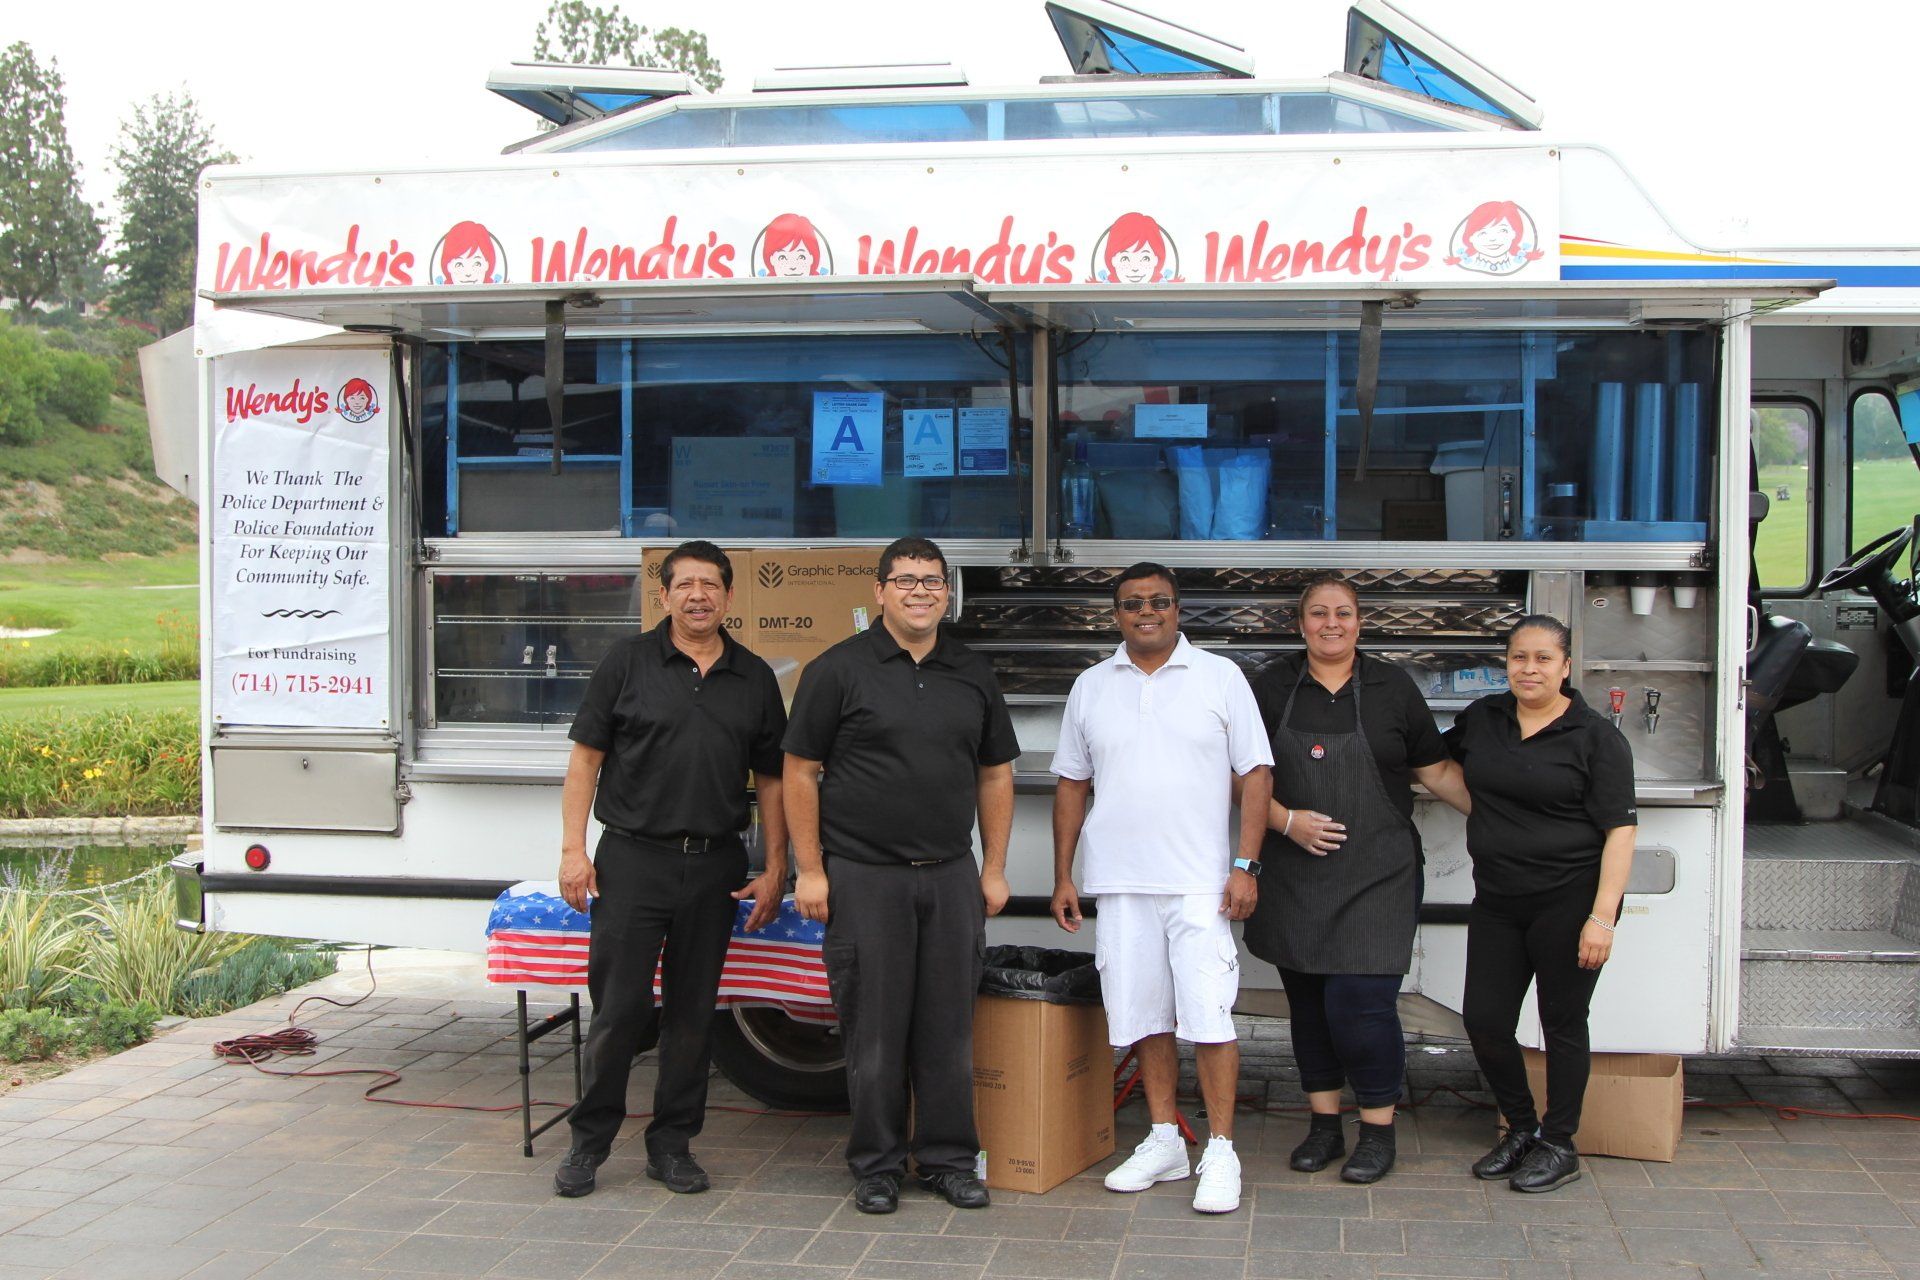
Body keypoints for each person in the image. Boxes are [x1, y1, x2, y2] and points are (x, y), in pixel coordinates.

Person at [783, 536, 1018, 1215]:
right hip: (864, 877)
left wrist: (994, 867)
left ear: (948, 593)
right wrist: (810, 870)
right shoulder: (839, 670)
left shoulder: (972, 671)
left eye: (933, 581)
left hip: (949, 875)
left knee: (948, 1030)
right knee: (875, 1032)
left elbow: (995, 772)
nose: (921, 591)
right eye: (907, 580)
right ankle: (877, 1165)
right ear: (879, 591)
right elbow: (799, 769)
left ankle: (947, 1160)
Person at [552, 541, 789, 1199]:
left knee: (692, 1015)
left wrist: (775, 865)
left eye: (710, 585)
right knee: (620, 1013)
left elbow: (773, 782)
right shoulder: (627, 663)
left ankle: (672, 1146)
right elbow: (584, 764)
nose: (698, 596)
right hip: (631, 860)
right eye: (685, 585)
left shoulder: (754, 677)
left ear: (729, 596)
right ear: (664, 596)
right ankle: (588, 1145)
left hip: (714, 864)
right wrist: (574, 850)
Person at [1050, 562, 1274, 1215]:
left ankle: (1222, 1149)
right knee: (1145, 1016)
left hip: (1201, 884)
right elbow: (1071, 782)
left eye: (1159, 602)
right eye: (1131, 604)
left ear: (1179, 608)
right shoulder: (1091, 686)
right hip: (1119, 882)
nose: (1146, 612)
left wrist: (1246, 866)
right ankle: (1163, 1138)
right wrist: (1064, 874)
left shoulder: (1221, 678)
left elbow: (1256, 775)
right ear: (1115, 614)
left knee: (1209, 1018)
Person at [1244, 574, 1470, 1184]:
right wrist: (1286, 821)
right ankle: (1323, 1126)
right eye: (1318, 613)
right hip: (1295, 872)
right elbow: (1234, 779)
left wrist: (1507, 820)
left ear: (1359, 621)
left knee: (1361, 1007)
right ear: (1300, 624)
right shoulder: (1270, 686)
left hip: (1380, 871)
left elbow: (1438, 769)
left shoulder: (1393, 688)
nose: (1331, 624)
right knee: (1311, 1008)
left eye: (1342, 613)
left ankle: (1377, 1130)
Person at [1449, 614, 1637, 1193]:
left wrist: (1602, 917)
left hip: (1571, 902)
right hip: (1499, 899)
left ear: (1565, 667)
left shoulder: (1595, 737)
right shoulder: (1484, 718)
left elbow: (1621, 832)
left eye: (1542, 659)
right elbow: (1442, 767)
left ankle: (1561, 1143)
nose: (1528, 669)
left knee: (1561, 1024)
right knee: (1484, 1020)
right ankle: (1522, 1129)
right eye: (1518, 658)